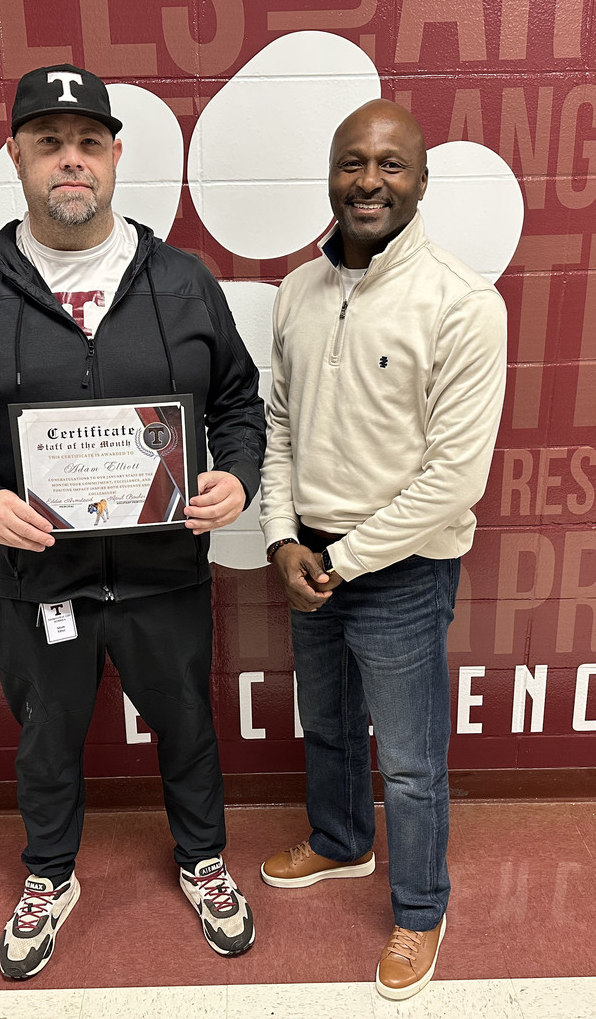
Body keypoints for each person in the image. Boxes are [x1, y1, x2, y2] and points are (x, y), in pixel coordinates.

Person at [0, 63, 265, 979]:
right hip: (34, 578)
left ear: (115, 157)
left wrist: (237, 481)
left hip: (163, 572)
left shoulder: (180, 280)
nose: (71, 162)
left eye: (88, 143)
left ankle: (203, 861)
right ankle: (52, 875)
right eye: (49, 143)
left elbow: (241, 403)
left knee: (186, 725)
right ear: (15, 154)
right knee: (46, 735)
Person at [259, 99, 506, 1000]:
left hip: (398, 569)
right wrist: (283, 538)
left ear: (423, 182)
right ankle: (338, 843)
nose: (369, 181)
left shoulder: (462, 303)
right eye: (352, 163)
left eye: (391, 165)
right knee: (325, 725)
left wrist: (345, 558)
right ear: (330, 176)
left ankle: (420, 909)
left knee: (408, 759)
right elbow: (279, 426)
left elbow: (455, 479)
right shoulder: (296, 292)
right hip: (309, 558)